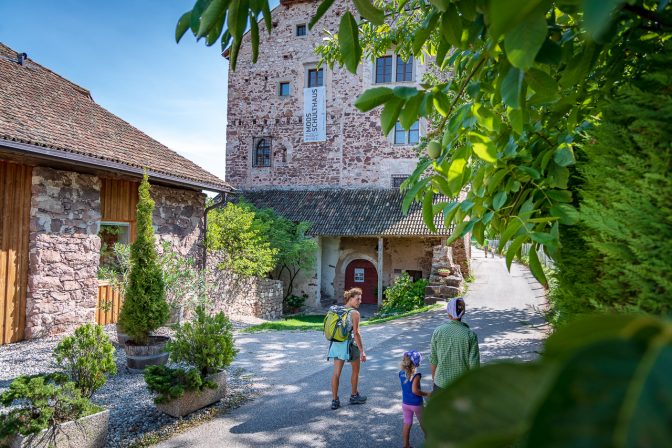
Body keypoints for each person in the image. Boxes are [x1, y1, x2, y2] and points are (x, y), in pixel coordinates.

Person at [429, 297, 480, 392]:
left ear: (448, 313)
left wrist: (434, 381)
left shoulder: (438, 331)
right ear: (463, 313)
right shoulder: (470, 335)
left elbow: (433, 360)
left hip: (440, 384)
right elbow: (474, 366)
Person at [328, 287, 367, 410]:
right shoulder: (355, 313)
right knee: (355, 371)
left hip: (337, 344)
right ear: (350, 299)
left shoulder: (337, 310)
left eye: (360, 299)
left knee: (336, 373)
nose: (360, 301)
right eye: (357, 299)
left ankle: (335, 400)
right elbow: (356, 333)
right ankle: (354, 396)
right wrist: (362, 351)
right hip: (350, 345)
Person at [399, 350, 431, 448]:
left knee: (407, 423)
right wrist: (427, 394)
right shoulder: (416, 376)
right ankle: (429, 440)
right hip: (416, 404)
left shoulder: (400, 373)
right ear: (417, 363)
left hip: (405, 403)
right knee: (424, 422)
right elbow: (415, 391)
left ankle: (406, 445)